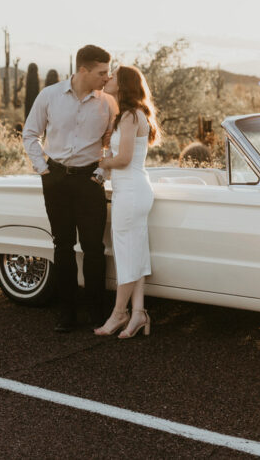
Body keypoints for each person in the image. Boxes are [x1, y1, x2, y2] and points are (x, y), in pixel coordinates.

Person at [23, 45, 116, 332]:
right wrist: (44, 170)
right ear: (83, 70)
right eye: (101, 72)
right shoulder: (49, 95)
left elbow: (112, 143)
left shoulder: (108, 103)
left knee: (93, 248)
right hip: (57, 179)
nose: (106, 77)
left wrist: (101, 172)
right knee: (62, 246)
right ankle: (67, 314)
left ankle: (97, 313)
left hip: (90, 180)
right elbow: (30, 133)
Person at [93, 65, 160, 339]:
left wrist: (100, 161)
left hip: (131, 192)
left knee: (125, 254)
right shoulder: (130, 114)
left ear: (124, 85)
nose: (108, 79)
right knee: (135, 252)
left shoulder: (131, 116)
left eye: (113, 77)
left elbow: (123, 160)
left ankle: (119, 314)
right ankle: (139, 313)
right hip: (133, 190)